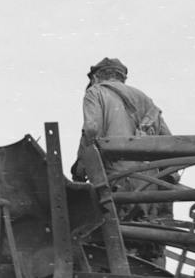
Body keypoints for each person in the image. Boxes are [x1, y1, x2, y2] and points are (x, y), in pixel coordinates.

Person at [71, 56, 171, 195]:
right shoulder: (146, 100)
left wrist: (80, 168)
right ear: (123, 78)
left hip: (115, 182)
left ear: (95, 78)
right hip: (149, 186)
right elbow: (169, 141)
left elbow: (91, 129)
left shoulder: (95, 92)